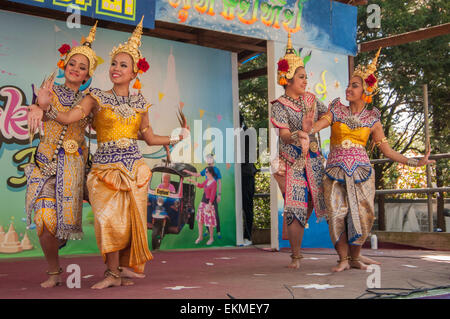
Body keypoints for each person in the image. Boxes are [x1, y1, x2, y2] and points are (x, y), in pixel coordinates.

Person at [30, 17, 187, 288]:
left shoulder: (137, 102)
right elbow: (66, 117)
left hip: (123, 168)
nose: (116, 68)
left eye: (122, 65)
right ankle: (64, 269)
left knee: (127, 222)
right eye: (114, 63)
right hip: (96, 168)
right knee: (97, 220)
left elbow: (146, 136)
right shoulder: (94, 97)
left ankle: (116, 272)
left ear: (135, 72)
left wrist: (174, 138)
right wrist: (41, 107)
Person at [300, 48, 434, 272]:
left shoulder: (373, 119)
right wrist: (309, 129)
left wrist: (415, 162)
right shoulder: (336, 109)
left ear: (366, 90)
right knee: (336, 214)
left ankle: (355, 258)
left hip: (362, 173)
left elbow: (388, 152)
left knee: (362, 215)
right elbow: (319, 125)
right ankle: (343, 259)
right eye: (349, 84)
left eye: (354, 85)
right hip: (334, 171)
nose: (348, 88)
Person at [25, 22, 99, 288]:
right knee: (44, 221)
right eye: (73, 63)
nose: (76, 69)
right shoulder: (50, 90)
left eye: (83, 67)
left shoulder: (90, 101)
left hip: (76, 169)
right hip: (46, 165)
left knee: (111, 212)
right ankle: (54, 271)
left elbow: (110, 126)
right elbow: (38, 108)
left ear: (88, 74)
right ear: (64, 64)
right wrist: (35, 107)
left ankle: (119, 268)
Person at [270, 33, 328, 269]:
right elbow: (283, 136)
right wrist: (299, 134)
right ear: (289, 79)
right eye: (301, 77)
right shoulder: (279, 106)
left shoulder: (311, 99)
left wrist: (313, 127)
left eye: (305, 77)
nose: (306, 81)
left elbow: (328, 116)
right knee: (296, 206)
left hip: (314, 160)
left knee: (314, 203)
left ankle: (347, 255)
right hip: (291, 162)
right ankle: (296, 256)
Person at [183, 153, 222, 238]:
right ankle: (207, 230)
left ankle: (218, 231)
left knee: (215, 213)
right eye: (207, 159)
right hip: (206, 194)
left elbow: (219, 182)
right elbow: (197, 175)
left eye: (209, 158)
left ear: (212, 159)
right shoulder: (206, 169)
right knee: (205, 212)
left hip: (213, 194)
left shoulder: (216, 170)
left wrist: (219, 194)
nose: (208, 160)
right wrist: (188, 172)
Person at [240, 113, 258, 246]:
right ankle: (238, 235)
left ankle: (247, 237)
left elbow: (249, 155)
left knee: (247, 206)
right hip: (233, 176)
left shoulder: (249, 133)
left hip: (246, 175)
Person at [187, 166, 217, 245]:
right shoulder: (207, 180)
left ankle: (211, 238)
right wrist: (192, 181)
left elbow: (213, 196)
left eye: (206, 172)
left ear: (210, 173)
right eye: (205, 172)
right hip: (202, 203)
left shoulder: (214, 182)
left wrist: (209, 205)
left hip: (209, 204)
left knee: (209, 223)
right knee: (200, 221)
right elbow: (200, 185)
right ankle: (200, 237)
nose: (205, 173)